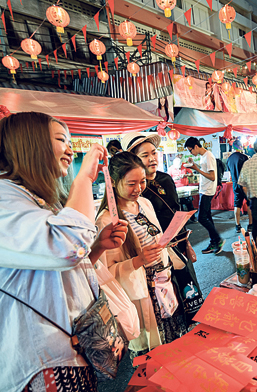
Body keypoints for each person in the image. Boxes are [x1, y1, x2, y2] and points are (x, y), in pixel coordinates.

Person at [0, 112, 129, 392]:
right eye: (61, 140)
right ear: (29, 143)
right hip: (33, 365)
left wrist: (94, 249)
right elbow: (66, 248)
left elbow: (56, 270)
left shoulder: (31, 198)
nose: (70, 149)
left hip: (64, 354)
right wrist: (84, 179)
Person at [96, 152, 188, 359]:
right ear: (113, 182)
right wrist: (139, 260)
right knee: (151, 355)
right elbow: (106, 273)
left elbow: (156, 236)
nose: (138, 189)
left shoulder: (144, 203)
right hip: (141, 293)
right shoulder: (106, 220)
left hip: (163, 285)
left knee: (173, 345)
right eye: (131, 184)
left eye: (143, 182)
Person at [184, 137, 224, 254]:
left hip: (207, 191)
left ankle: (217, 239)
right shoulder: (203, 157)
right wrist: (195, 165)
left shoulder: (208, 156)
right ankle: (214, 242)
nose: (191, 152)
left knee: (201, 218)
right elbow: (206, 172)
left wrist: (196, 168)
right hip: (204, 190)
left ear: (196, 146)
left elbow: (212, 177)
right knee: (207, 217)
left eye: (191, 150)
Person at [227, 139, 253, 233]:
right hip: (245, 184)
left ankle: (237, 225)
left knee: (237, 204)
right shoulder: (244, 157)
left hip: (235, 184)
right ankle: (250, 225)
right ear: (240, 146)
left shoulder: (229, 158)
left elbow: (230, 171)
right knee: (249, 203)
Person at [167, 156, 196, 222]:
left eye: (180, 167)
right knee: (179, 205)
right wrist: (174, 179)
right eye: (177, 168)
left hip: (185, 186)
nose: (179, 169)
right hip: (177, 188)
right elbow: (168, 179)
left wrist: (186, 175)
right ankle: (183, 220)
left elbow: (191, 174)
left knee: (189, 203)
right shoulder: (171, 169)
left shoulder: (184, 165)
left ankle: (193, 218)